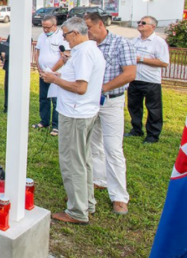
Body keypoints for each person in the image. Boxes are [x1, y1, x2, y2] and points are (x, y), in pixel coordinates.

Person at [40, 17, 106, 225]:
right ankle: (86, 200)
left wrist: (55, 79)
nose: (64, 39)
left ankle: (77, 210)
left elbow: (80, 87)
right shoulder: (86, 51)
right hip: (83, 112)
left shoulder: (85, 53)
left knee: (72, 161)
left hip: (76, 113)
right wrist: (60, 74)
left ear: (76, 34)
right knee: (83, 159)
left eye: (66, 34)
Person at [83, 12, 136, 215]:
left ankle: (119, 196)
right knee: (93, 143)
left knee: (113, 148)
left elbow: (130, 73)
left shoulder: (121, 44)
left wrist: (102, 88)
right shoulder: (89, 45)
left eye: (88, 27)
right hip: (91, 101)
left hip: (111, 101)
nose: (86, 31)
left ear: (99, 25)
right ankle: (99, 179)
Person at [127, 16, 169, 144]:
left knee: (153, 109)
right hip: (134, 79)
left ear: (152, 26)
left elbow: (164, 62)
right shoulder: (134, 41)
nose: (140, 24)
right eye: (139, 22)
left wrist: (141, 59)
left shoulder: (158, 42)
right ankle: (136, 129)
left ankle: (153, 135)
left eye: (143, 23)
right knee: (134, 106)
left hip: (151, 81)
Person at [33, 15, 70, 135]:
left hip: (55, 74)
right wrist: (39, 68)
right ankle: (44, 121)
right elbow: (37, 53)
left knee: (56, 99)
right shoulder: (42, 36)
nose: (45, 30)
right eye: (43, 27)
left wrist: (51, 71)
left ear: (54, 25)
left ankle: (56, 125)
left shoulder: (62, 37)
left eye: (47, 27)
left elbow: (63, 57)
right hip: (43, 73)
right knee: (43, 98)